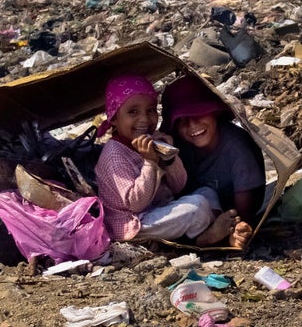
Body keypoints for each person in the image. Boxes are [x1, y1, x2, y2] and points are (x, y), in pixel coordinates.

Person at [94, 74, 247, 248]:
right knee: (196, 207)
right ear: (114, 117)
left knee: (206, 193)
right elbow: (136, 204)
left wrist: (169, 157)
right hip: (134, 224)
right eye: (133, 112)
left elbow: (178, 186)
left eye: (151, 110)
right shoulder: (114, 154)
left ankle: (214, 231)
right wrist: (150, 163)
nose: (144, 119)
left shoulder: (150, 141)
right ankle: (201, 240)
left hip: (159, 209)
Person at [160, 75, 266, 231]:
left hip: (229, 216)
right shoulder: (178, 145)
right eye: (182, 120)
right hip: (196, 213)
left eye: (198, 113)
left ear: (215, 112)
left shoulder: (237, 148)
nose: (192, 125)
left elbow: (244, 218)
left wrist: (232, 231)